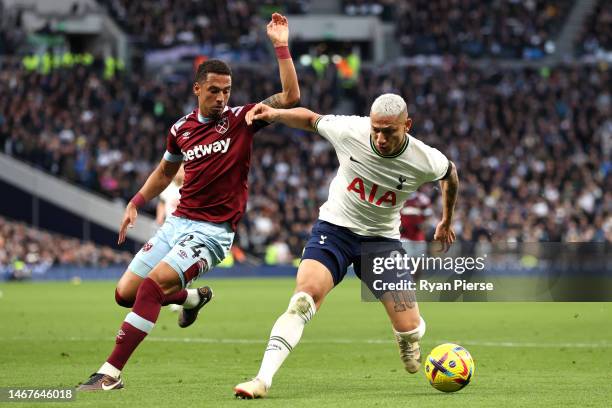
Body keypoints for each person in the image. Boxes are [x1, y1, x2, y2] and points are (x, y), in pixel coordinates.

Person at [77, 13, 300, 391]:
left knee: (149, 290)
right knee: (124, 293)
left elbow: (291, 97)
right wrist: (136, 200)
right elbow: (165, 173)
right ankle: (191, 299)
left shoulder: (243, 119)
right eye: (214, 90)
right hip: (177, 223)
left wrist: (281, 45)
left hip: (212, 233)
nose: (221, 97)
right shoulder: (180, 129)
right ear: (198, 89)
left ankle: (110, 374)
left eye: (227, 90)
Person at [234, 93, 459, 398]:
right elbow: (311, 119)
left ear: (407, 125)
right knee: (303, 299)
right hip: (335, 230)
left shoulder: (424, 158)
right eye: (375, 129)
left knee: (410, 326)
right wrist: (274, 114)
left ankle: (408, 338)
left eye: (389, 131)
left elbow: (450, 174)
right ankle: (261, 380)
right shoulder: (351, 130)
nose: (380, 138)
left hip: (381, 242)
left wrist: (446, 219)